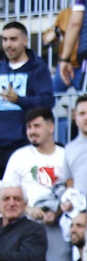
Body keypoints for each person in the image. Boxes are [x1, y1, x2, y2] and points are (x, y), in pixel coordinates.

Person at [2, 106, 71, 261]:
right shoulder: (19, 156)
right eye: (29, 127)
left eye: (36, 126)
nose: (32, 131)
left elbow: (73, 190)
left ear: (51, 127)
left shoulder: (65, 156)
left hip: (56, 225)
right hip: (23, 226)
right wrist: (27, 208)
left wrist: (56, 213)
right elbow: (6, 191)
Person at [0, 21, 58, 176]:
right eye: (4, 39)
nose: (8, 44)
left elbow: (47, 102)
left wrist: (19, 100)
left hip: (24, 145)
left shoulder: (38, 69)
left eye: (13, 39)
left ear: (25, 41)